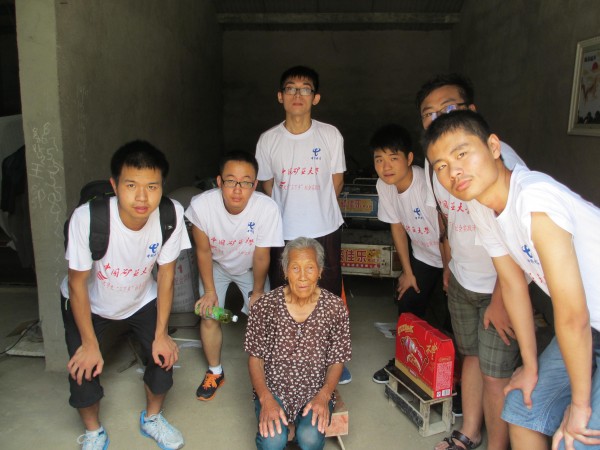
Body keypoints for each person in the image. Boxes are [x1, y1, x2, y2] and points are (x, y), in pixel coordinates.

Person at [423, 109, 600, 450]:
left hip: (583, 322)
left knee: (577, 441)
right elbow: (513, 284)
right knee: (520, 410)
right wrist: (530, 366)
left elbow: (572, 316)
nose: (453, 171)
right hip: (588, 328)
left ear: (493, 147)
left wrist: (579, 406)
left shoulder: (533, 199)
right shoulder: (481, 207)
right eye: (441, 166)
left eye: (462, 154)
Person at [416, 74, 523, 450]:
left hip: (501, 287)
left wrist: (502, 298)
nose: (438, 118)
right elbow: (445, 218)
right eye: (429, 113)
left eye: (448, 108)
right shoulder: (435, 163)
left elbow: (518, 240)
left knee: (496, 373)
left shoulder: (501, 160)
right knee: (472, 358)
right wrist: (448, 265)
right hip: (463, 280)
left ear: (471, 111)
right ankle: (470, 431)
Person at [61, 140, 190, 450]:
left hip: (141, 298)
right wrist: (89, 344)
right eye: (131, 185)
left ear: (162, 187)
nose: (142, 197)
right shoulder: (87, 219)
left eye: (152, 187)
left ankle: (152, 418)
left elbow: (166, 275)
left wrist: (162, 334)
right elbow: (77, 284)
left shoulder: (170, 214)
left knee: (162, 357)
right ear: (114, 185)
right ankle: (94, 432)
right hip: (89, 302)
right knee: (83, 370)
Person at [255, 65, 351, 384]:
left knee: (327, 294)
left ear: (315, 97)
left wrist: (316, 209)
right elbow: (268, 186)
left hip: (325, 228)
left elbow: (336, 181)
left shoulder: (330, 135)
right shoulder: (268, 140)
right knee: (285, 293)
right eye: (291, 88)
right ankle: (288, 357)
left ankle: (332, 360)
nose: (298, 94)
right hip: (283, 231)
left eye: (305, 89)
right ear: (280, 96)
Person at [185, 151, 284, 401]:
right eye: (231, 181)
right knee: (209, 314)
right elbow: (203, 251)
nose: (238, 189)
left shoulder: (266, 208)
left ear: (255, 184)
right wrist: (209, 292)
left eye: (246, 182)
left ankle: (265, 376)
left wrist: (257, 292)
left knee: (263, 317)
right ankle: (215, 372)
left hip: (250, 267)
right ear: (219, 182)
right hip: (216, 264)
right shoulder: (201, 206)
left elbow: (261, 256)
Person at [244, 237, 352, 450]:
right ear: (285, 271)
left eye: (310, 268)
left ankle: (299, 428)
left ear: (320, 271)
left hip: (315, 389)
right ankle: (281, 428)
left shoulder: (335, 308)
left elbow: (337, 360)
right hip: (274, 389)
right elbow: (255, 359)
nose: (303, 276)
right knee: (272, 441)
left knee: (310, 439)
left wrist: (324, 395)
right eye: (295, 268)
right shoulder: (265, 306)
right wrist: (266, 399)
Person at [368, 123, 445, 384]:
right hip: (423, 257)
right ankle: (403, 363)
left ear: (409, 158)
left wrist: (449, 272)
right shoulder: (384, 186)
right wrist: (408, 272)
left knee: (447, 318)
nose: (386, 166)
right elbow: (397, 227)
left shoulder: (427, 184)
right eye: (379, 159)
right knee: (407, 304)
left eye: (393, 158)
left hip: (451, 258)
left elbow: (446, 232)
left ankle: (446, 379)